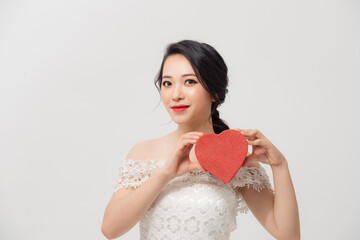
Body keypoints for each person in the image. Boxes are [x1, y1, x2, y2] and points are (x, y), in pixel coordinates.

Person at [101, 40, 300, 240]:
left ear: (214, 91)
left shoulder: (235, 159)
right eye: (167, 83)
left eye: (190, 81)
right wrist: (165, 174)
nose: (176, 95)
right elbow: (110, 229)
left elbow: (288, 236)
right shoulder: (143, 152)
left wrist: (280, 165)